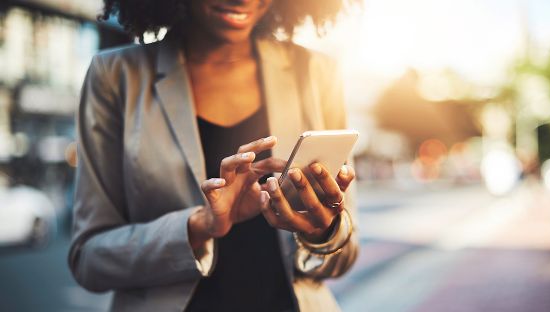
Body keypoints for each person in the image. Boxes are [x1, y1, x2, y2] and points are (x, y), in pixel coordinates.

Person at [68, 0, 359, 311]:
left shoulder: (316, 73)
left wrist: (322, 233)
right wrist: (199, 226)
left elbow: (345, 253)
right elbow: (89, 259)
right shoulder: (115, 76)